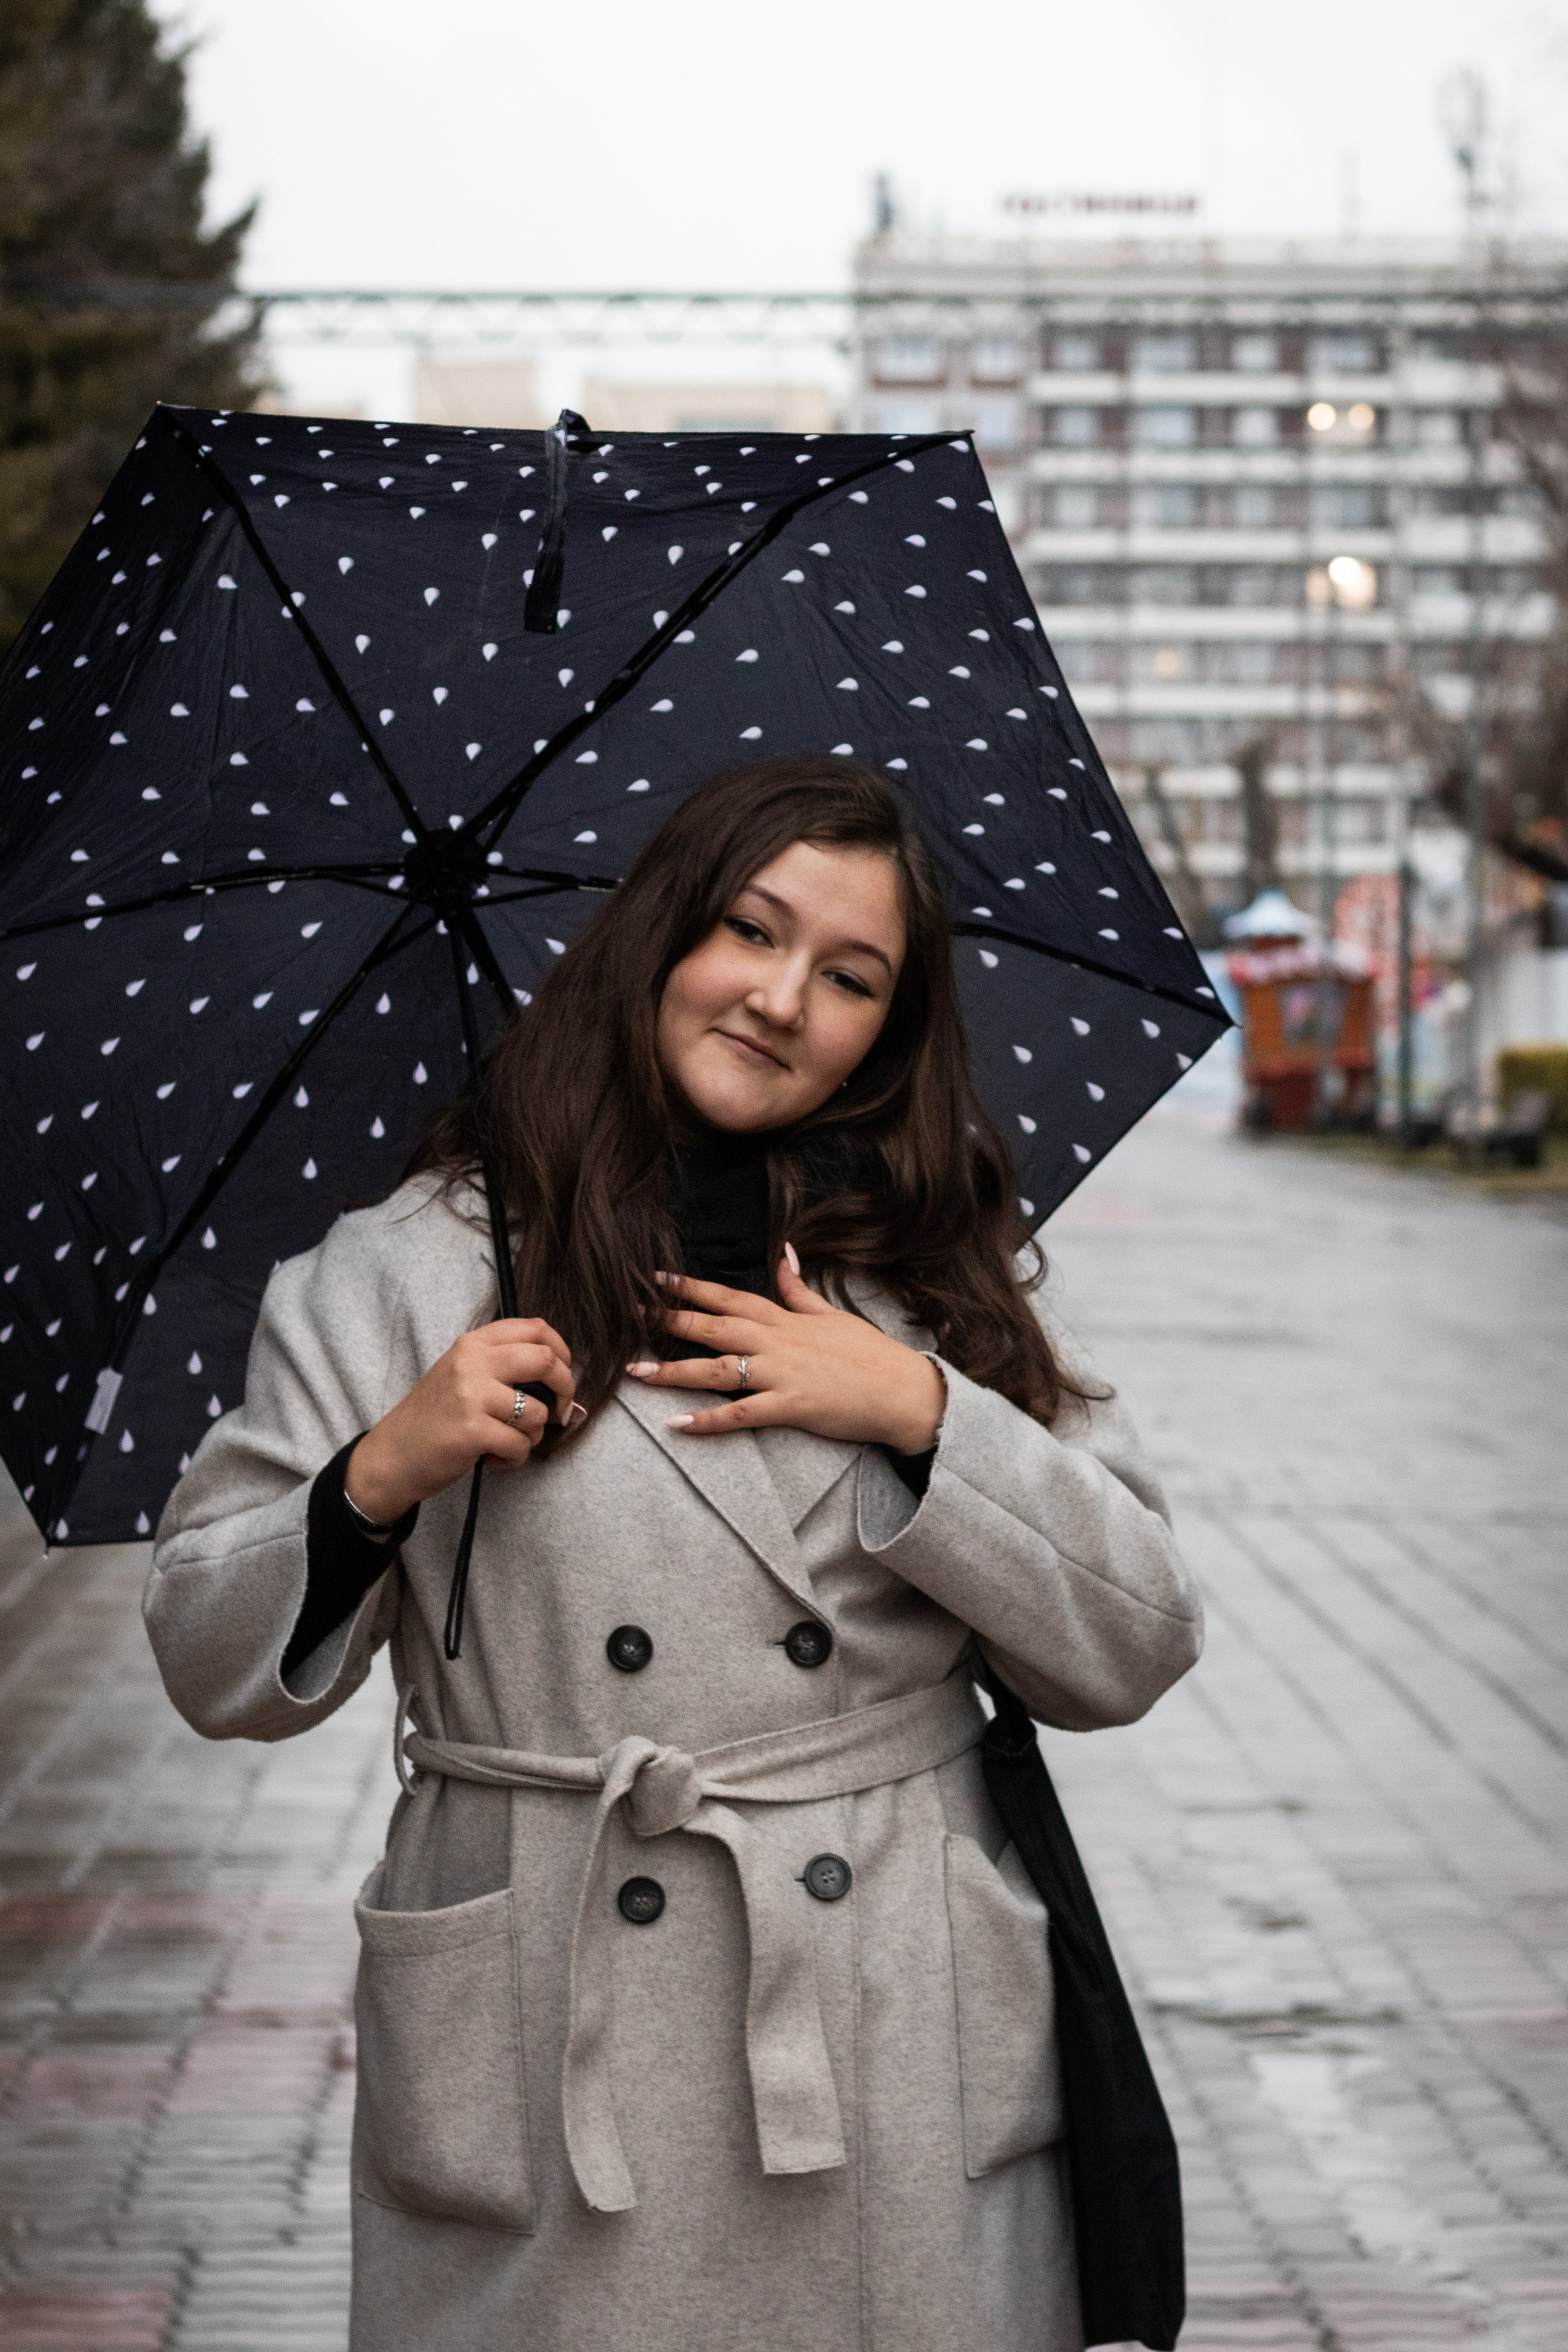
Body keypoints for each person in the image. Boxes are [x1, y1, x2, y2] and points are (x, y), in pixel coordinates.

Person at [146, 755, 1202, 2352]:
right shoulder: (405, 1273)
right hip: (551, 2017)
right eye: (749, 932)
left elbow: (1135, 1639)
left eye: (851, 977)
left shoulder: (939, 1276)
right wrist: (386, 1466)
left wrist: (917, 1409)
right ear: (657, 937)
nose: (785, 999)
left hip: (887, 2034)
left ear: (887, 1034)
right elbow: (216, 1667)